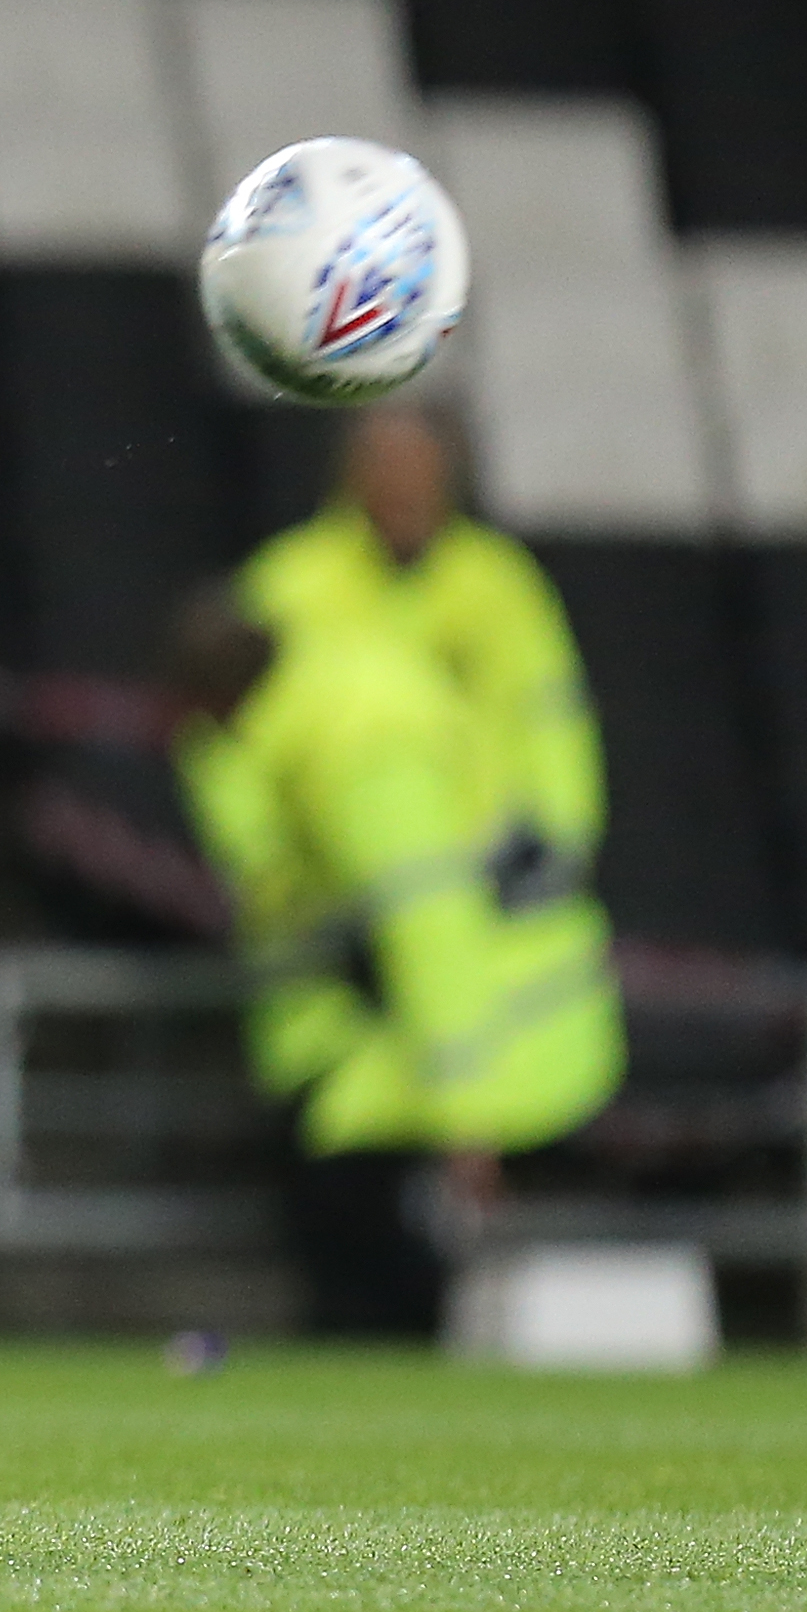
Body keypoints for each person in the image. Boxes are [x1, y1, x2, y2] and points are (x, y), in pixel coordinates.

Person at [165, 583, 624, 1337]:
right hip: (478, 1023)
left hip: (504, 1031)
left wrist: (467, 1119)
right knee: (337, 1190)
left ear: (218, 697)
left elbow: (429, 923)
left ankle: (381, 1391)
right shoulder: (334, 695)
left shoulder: (355, 747)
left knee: (358, 1234)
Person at [242, 403, 603, 915]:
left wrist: (561, 838)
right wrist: (267, 868)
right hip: (329, 885)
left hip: (486, 877)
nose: (401, 485)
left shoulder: (497, 582)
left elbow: (549, 714)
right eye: (384, 465)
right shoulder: (287, 587)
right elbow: (232, 743)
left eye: (417, 466)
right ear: (351, 474)